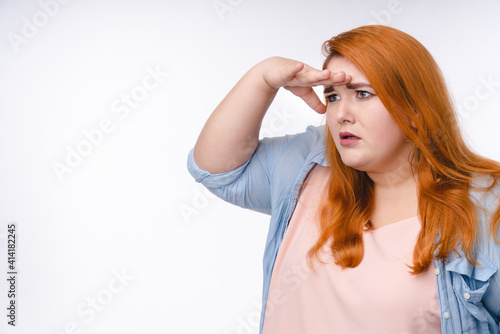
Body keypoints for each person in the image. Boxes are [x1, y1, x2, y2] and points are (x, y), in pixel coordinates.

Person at [186, 25, 500, 334]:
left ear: (414, 109)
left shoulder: (485, 207)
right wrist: (262, 78)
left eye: (362, 94)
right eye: (333, 96)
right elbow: (215, 170)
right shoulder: (308, 163)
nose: (340, 114)